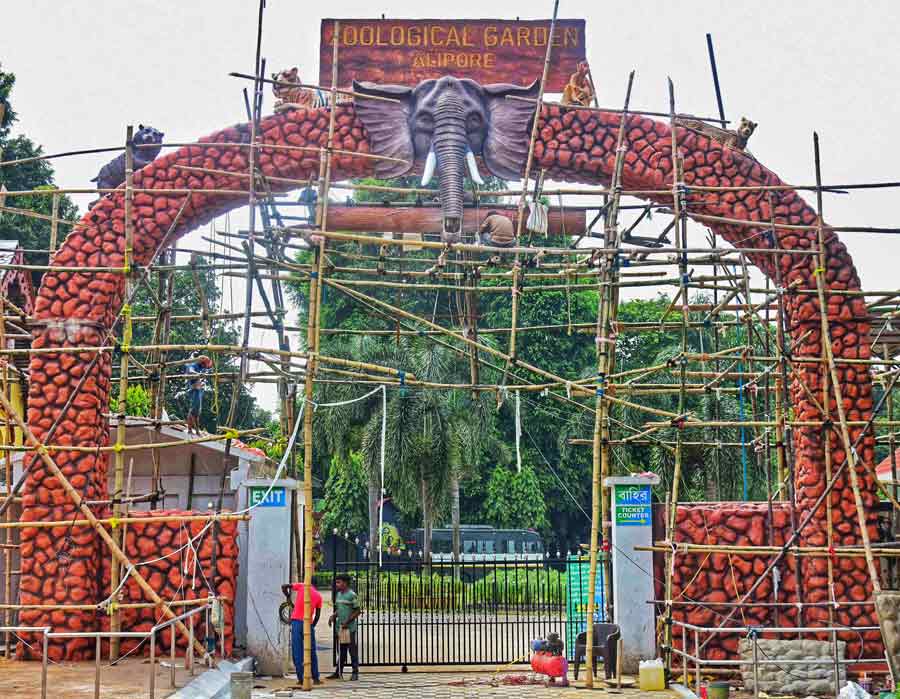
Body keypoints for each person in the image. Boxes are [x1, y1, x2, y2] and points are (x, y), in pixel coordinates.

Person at [282, 581, 323, 686]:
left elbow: (284, 586)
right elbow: (317, 616)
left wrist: (288, 597)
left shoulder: (302, 586)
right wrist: (312, 626)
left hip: (296, 622)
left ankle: (301, 679)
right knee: (311, 651)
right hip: (308, 623)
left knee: (297, 651)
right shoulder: (319, 596)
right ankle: (316, 678)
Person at [327, 574, 361, 681]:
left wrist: (347, 621)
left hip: (349, 629)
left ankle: (355, 672)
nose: (336, 584)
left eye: (339, 582)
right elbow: (339, 609)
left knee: (352, 650)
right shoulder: (338, 595)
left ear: (345, 583)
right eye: (336, 582)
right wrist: (333, 616)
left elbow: (357, 611)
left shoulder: (352, 595)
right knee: (341, 651)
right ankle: (338, 672)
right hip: (341, 628)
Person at [183, 353, 212, 435]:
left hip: (199, 390)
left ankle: (196, 430)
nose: (205, 367)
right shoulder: (193, 365)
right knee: (193, 410)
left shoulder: (201, 367)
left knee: (197, 411)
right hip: (194, 389)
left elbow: (207, 369)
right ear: (202, 363)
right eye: (205, 365)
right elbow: (190, 371)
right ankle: (190, 430)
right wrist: (198, 374)